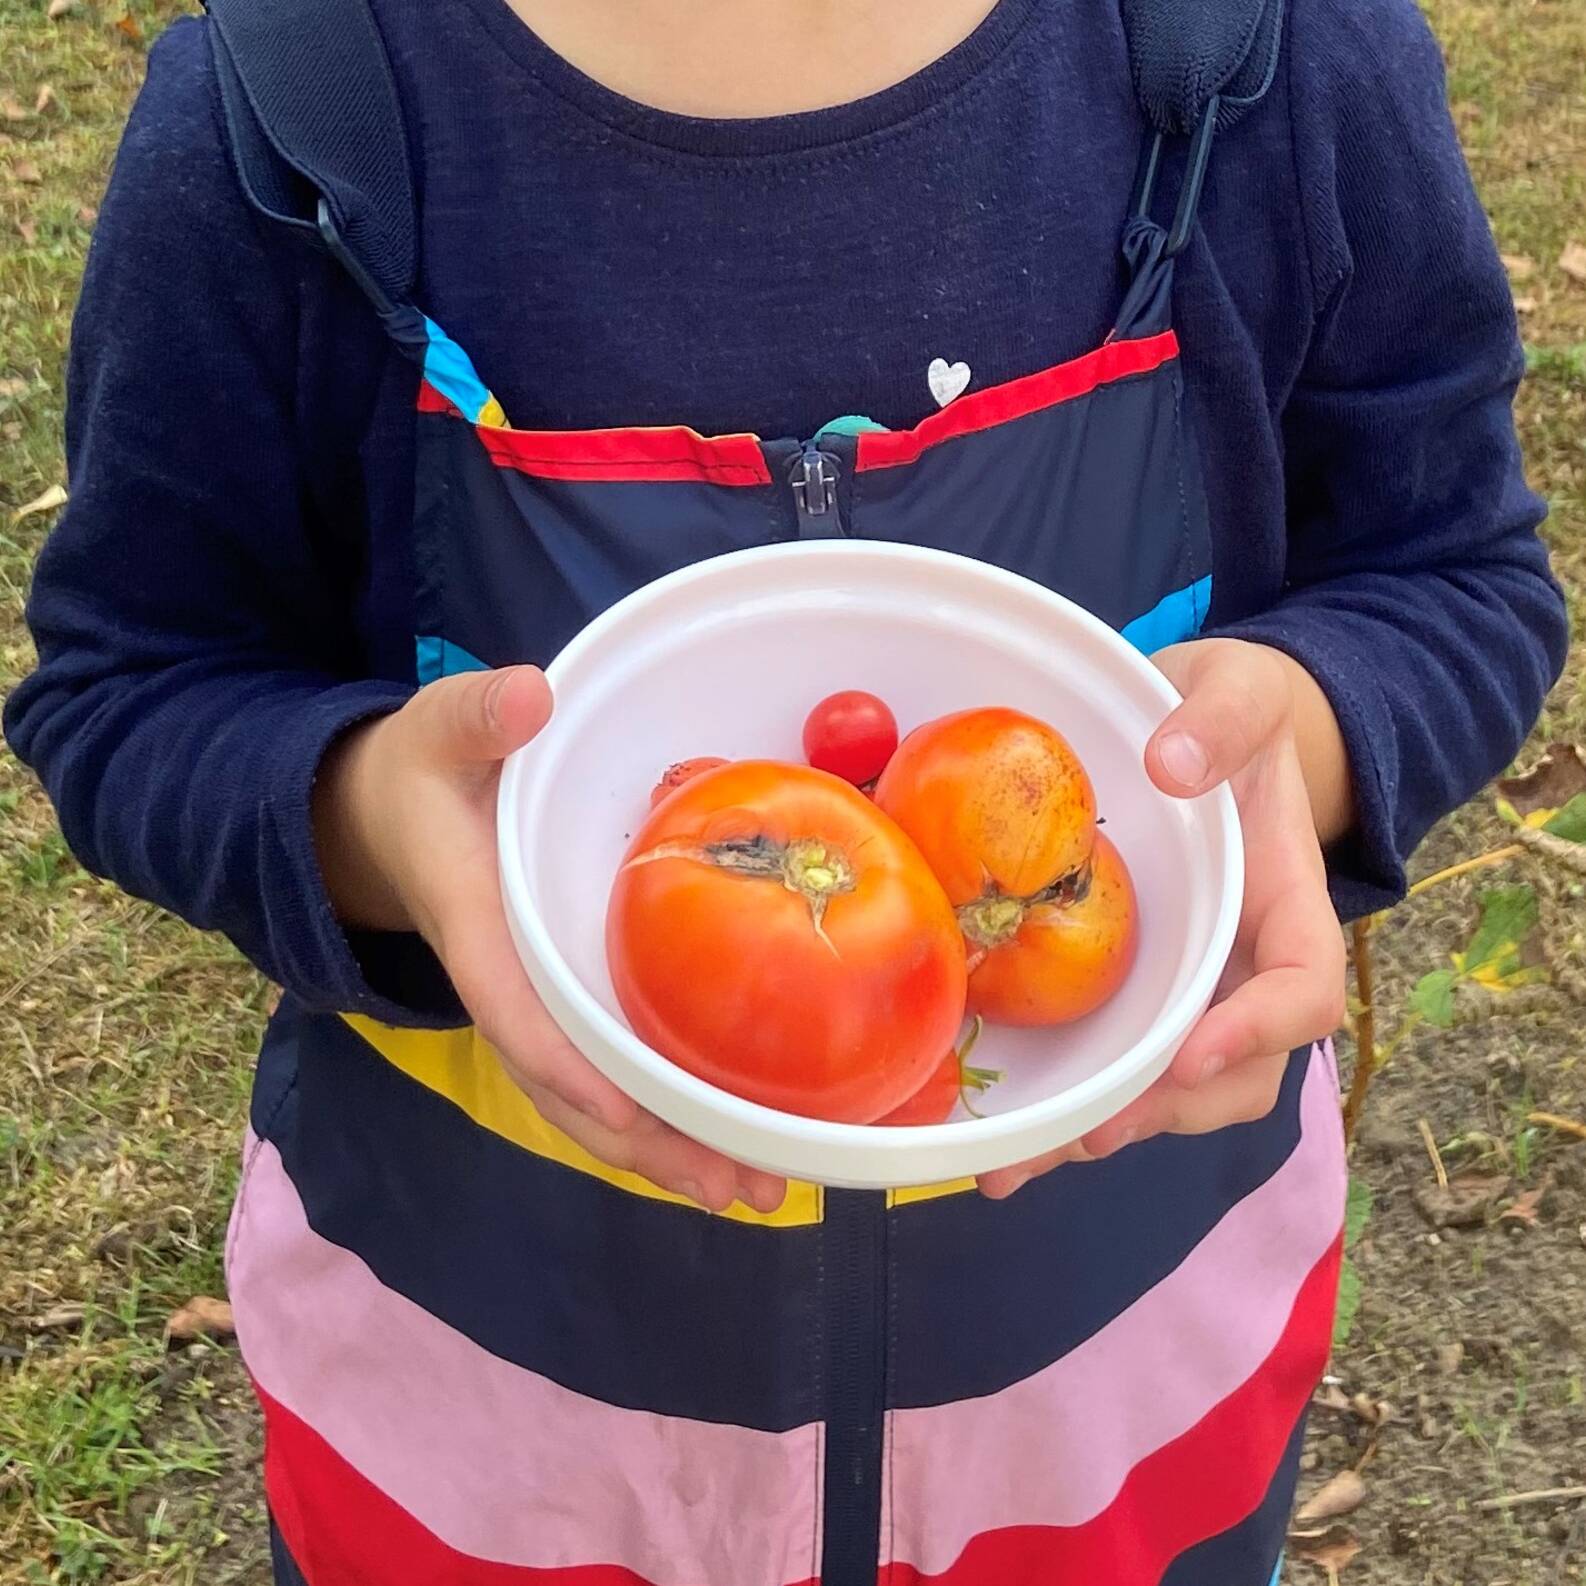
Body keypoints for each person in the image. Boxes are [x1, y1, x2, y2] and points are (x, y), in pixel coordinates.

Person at [5, 0, 1566, 1581]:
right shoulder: (288, 109)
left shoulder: (1271, 58)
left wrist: (1287, 743)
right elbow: (135, 684)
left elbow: (1451, 575)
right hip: (492, 1421)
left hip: (1114, 1416)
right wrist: (365, 816)